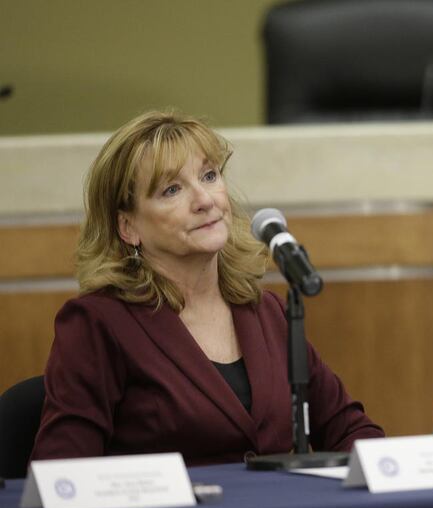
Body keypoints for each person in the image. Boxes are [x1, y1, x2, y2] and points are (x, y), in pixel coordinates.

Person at [31, 111, 383, 465]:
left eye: (209, 175)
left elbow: (351, 430)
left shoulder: (268, 313)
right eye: (172, 189)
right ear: (128, 227)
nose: (204, 199)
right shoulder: (98, 324)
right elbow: (62, 475)